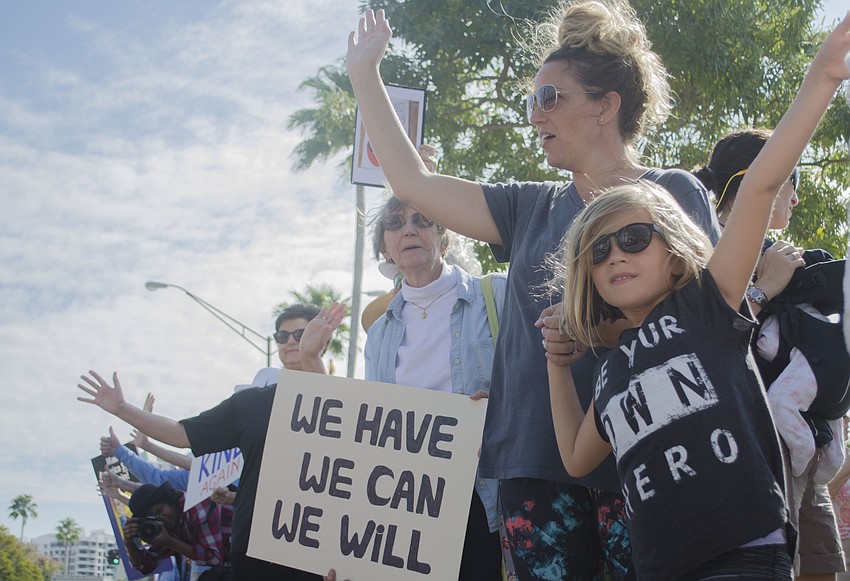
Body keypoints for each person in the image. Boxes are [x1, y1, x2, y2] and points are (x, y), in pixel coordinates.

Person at [346, 2, 720, 578]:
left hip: (650, 454)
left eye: (550, 98)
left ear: (605, 106)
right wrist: (365, 74)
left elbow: (705, 318)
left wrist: (598, 329)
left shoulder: (672, 193)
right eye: (530, 101)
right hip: (532, 466)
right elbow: (412, 183)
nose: (534, 115)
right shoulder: (525, 206)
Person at [546, 18, 850, 579]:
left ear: (676, 248)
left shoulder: (709, 305)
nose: (615, 255)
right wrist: (556, 363)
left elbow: (760, 184)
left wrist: (825, 75)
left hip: (746, 555)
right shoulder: (612, 373)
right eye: (599, 251)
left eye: (634, 239)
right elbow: (574, 454)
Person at [77, 303, 347, 581]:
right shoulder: (250, 404)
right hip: (254, 545)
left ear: (323, 337)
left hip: (315, 547)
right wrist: (121, 407)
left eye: (301, 333)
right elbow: (180, 433)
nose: (290, 341)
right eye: (282, 335)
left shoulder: (351, 407)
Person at [695, 128, 847, 579]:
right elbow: (701, 338)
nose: (797, 199)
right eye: (791, 180)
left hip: (801, 442)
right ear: (753, 181)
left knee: (820, 566)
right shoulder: (701, 246)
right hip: (748, 446)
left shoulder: (777, 252)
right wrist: (766, 288)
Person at [364, 194, 505, 581]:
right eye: (394, 223)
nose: (408, 228)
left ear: (444, 240)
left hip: (487, 497)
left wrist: (502, 405)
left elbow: (540, 383)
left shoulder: (497, 297)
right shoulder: (378, 336)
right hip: (409, 507)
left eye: (422, 219)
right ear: (384, 247)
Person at [122, 481, 230, 575]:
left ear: (169, 499)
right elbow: (145, 567)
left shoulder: (196, 505)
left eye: (159, 511)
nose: (161, 519)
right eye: (153, 518)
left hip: (244, 545)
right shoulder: (167, 526)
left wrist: (169, 542)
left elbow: (214, 558)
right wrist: (129, 543)